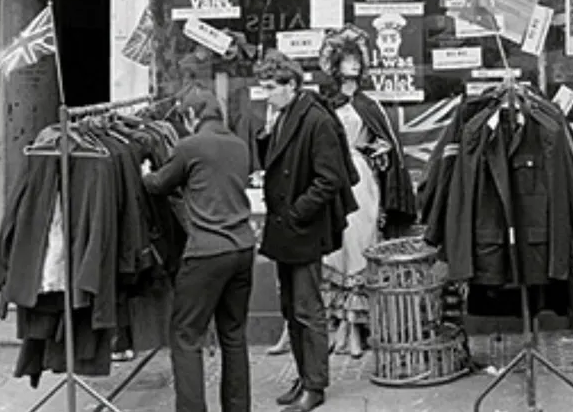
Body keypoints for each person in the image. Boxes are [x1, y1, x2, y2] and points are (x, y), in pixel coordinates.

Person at [140, 88, 255, 412]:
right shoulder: (239, 145)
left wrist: (145, 174)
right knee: (233, 335)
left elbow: (160, 185)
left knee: (187, 336)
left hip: (206, 251)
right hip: (243, 248)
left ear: (191, 116)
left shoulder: (189, 146)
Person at [254, 50, 357, 412]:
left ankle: (315, 385)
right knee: (290, 307)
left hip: (302, 228)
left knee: (307, 308)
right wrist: (266, 134)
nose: (265, 93)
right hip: (287, 227)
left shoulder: (316, 120)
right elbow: (278, 160)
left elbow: (330, 178)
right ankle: (304, 375)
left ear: (291, 85)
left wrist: (298, 213)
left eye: (270, 86)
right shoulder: (284, 115)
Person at [317, 27, 414, 358]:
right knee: (335, 247)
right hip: (332, 177)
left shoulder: (369, 105)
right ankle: (338, 325)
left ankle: (356, 326)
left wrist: (379, 150)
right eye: (346, 60)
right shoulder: (324, 104)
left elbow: (385, 146)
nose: (353, 65)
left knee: (360, 243)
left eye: (357, 59)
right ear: (334, 64)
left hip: (361, 179)